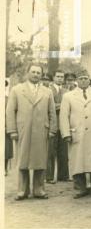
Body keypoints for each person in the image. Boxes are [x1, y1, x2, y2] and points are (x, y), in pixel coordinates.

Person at [6, 63, 57, 200]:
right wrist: (12, 130)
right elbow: (10, 111)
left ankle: (39, 190)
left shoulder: (47, 92)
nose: (35, 75)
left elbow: (52, 112)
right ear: (28, 73)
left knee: (40, 160)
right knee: (23, 160)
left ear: (41, 75)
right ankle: (22, 191)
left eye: (38, 73)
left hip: (41, 130)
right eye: (33, 72)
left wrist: (52, 129)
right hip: (23, 130)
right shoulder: (17, 90)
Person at [59, 69, 91, 199]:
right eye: (80, 78)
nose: (83, 80)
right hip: (77, 134)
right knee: (77, 163)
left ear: (89, 79)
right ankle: (79, 188)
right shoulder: (68, 96)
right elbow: (64, 116)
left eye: (85, 78)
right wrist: (66, 133)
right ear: (77, 80)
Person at [46, 69, 70, 183]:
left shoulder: (67, 91)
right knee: (50, 151)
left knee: (63, 151)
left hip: (64, 124)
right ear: (54, 78)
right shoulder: (48, 90)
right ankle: (49, 176)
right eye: (58, 76)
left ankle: (63, 176)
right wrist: (61, 106)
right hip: (52, 124)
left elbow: (69, 107)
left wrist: (60, 106)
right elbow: (48, 107)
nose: (60, 78)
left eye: (62, 77)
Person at [5, 80, 13, 176]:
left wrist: (8, 126)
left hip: (4, 126)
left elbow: (10, 113)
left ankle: (4, 168)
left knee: (6, 148)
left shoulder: (7, 99)